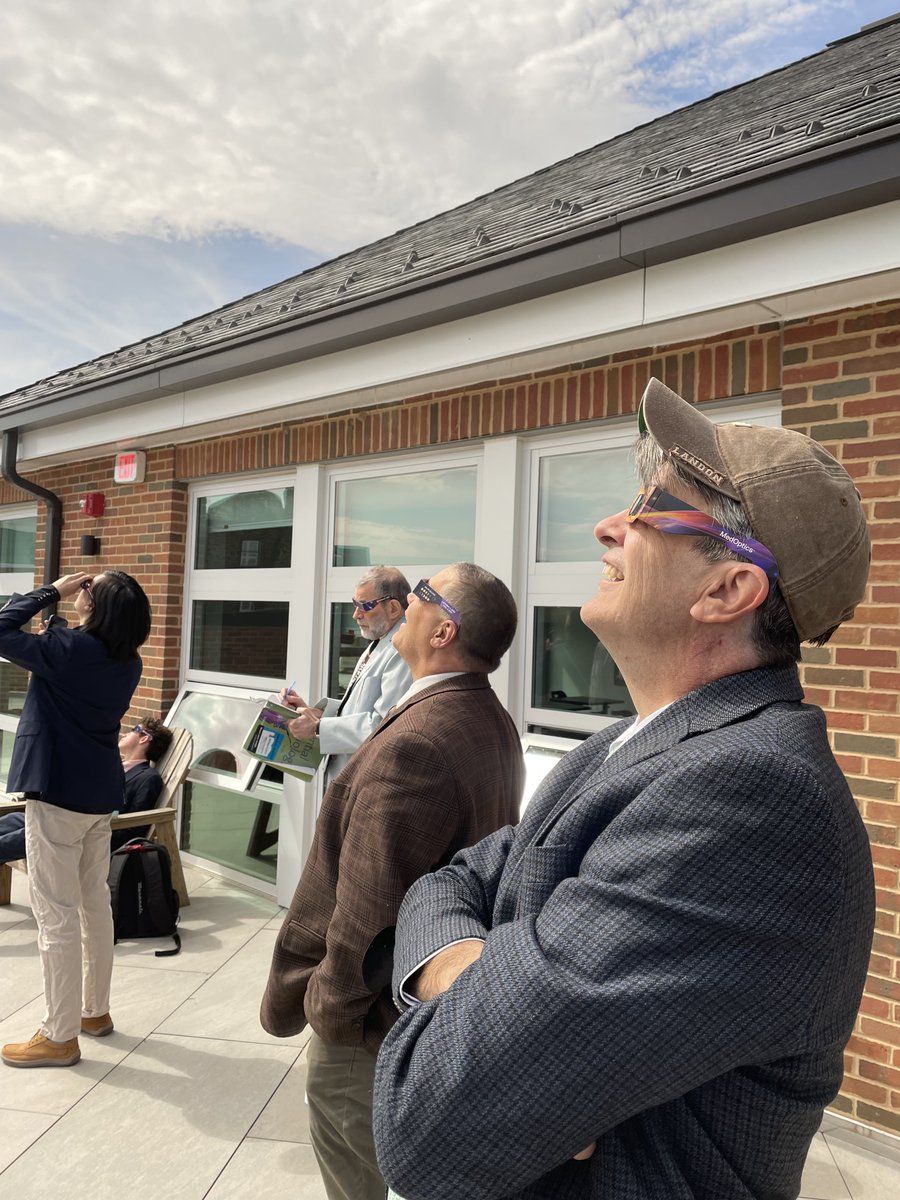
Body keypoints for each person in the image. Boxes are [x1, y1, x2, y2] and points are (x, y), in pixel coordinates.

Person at [373, 379, 876, 1200]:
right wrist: (478, 985)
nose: (608, 525)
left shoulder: (752, 800)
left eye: (650, 507)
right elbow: (455, 877)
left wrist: (483, 1028)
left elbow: (428, 1117)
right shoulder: (629, 746)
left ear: (727, 591)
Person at [261, 562, 524, 1200]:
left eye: (423, 596)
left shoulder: (420, 742)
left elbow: (372, 908)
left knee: (358, 1166)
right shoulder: (483, 716)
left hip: (372, 1021)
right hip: (414, 1009)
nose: (408, 602)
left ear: (443, 632)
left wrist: (333, 1010)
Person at [1, 570, 151, 1069]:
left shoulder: (71, 650)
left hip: (58, 795)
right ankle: (94, 1012)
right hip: (96, 796)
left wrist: (52, 592)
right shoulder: (128, 661)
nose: (81, 592)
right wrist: (70, 611)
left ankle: (59, 1035)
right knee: (93, 908)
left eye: (91, 589)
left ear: (99, 605)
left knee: (56, 916)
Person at [279, 565, 413, 782]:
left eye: (365, 606)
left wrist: (318, 727)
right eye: (355, 604)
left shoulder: (400, 649)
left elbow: (383, 726)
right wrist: (315, 714)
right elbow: (361, 708)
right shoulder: (379, 643)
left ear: (394, 608)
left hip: (366, 781)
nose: (355, 614)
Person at [0, 716, 173, 863]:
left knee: (37, 832)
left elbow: (136, 827)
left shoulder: (148, 779)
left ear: (144, 739)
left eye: (135, 729)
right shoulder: (112, 766)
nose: (127, 732)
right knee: (17, 819)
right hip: (72, 819)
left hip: (95, 832)